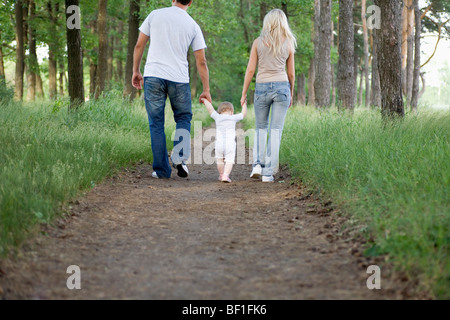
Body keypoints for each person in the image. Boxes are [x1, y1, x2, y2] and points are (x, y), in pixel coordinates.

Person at [132, 0, 212, 179]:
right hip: (179, 79)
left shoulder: (155, 15)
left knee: (156, 123)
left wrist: (136, 71)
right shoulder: (192, 25)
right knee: (183, 117)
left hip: (153, 75)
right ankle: (180, 157)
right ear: (190, 2)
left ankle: (161, 171)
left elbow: (139, 45)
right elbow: (201, 61)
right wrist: (206, 89)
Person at [241, 9, 296, 183]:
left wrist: (244, 93)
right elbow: (291, 74)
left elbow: (250, 70)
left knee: (261, 128)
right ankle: (268, 173)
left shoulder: (258, 42)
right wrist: (291, 92)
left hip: (262, 87)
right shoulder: (288, 43)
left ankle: (257, 164)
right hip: (282, 87)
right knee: (275, 131)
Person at [201, 98, 247, 183]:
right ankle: (226, 175)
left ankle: (221, 175)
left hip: (219, 143)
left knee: (219, 160)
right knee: (229, 161)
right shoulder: (233, 117)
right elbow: (243, 114)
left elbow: (210, 109)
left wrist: (205, 101)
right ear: (232, 111)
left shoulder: (217, 117)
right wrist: (244, 103)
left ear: (219, 111)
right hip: (230, 144)